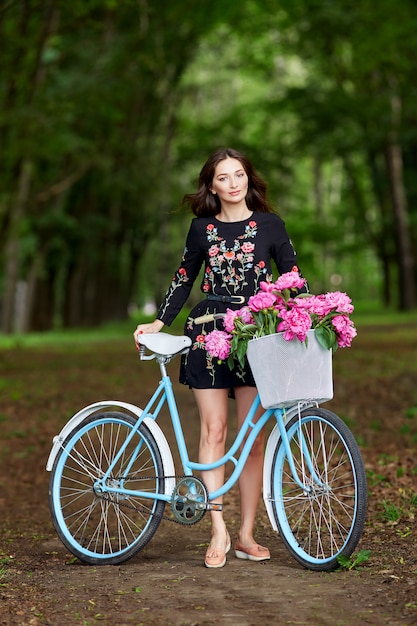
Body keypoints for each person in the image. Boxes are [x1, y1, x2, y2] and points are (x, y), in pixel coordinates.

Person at [134, 147, 305, 568]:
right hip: (208, 329)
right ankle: (218, 529)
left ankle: (247, 532)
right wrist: (160, 322)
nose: (234, 183)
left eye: (240, 174)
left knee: (253, 437)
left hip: (257, 332)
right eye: (224, 177)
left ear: (249, 178)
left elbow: (292, 276)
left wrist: (306, 314)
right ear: (211, 185)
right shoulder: (201, 229)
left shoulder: (271, 225)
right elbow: (183, 277)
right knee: (214, 430)